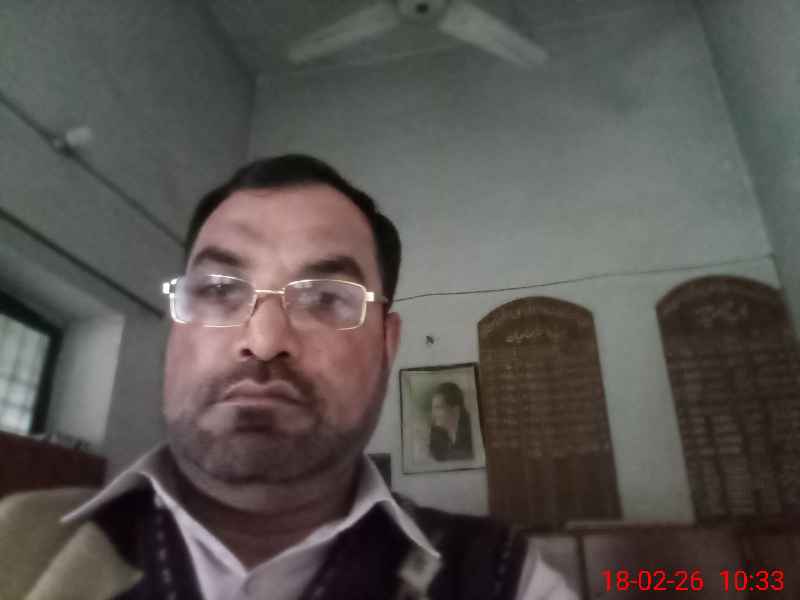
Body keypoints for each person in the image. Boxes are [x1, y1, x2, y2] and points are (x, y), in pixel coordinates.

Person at [0, 155, 576, 600]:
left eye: (325, 298)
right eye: (219, 289)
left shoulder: (500, 577)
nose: (264, 340)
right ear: (177, 323)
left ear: (387, 342)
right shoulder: (16, 543)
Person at [429, 382, 474, 461]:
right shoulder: (435, 433)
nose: (433, 414)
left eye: (438, 408)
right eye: (433, 408)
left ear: (455, 410)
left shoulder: (472, 432)